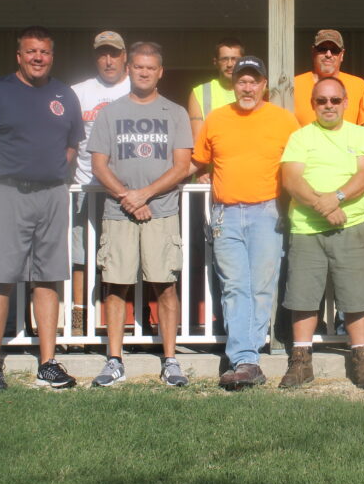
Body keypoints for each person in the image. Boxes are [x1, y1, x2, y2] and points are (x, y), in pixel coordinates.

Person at [0, 25, 84, 393]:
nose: (38, 58)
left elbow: (72, 144)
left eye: (44, 52)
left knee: (48, 276)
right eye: (31, 51)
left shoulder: (64, 94)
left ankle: (48, 363)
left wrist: (58, 174)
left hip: (51, 194)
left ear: (52, 55)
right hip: (7, 192)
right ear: (19, 56)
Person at [87, 42, 193, 386]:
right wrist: (127, 197)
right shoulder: (110, 112)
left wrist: (144, 194)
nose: (144, 72)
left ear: (160, 72)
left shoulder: (175, 113)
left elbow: (181, 166)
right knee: (116, 284)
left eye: (151, 67)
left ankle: (170, 359)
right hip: (119, 213)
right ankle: (114, 360)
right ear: (128, 70)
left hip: (161, 212)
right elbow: (99, 164)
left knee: (164, 284)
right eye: (138, 67)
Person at [191, 56, 299, 389]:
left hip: (267, 212)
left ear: (264, 85)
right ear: (233, 84)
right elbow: (199, 161)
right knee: (234, 286)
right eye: (242, 81)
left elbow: (297, 166)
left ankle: (245, 359)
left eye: (254, 81)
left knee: (262, 287)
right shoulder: (216, 118)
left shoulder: (284, 120)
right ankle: (246, 360)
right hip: (225, 213)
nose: (248, 87)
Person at [279, 76, 364, 389]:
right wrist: (324, 207)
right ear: (313, 105)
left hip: (350, 226)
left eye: (335, 100)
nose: (329, 106)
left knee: (356, 296)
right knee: (303, 297)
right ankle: (301, 360)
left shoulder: (361, 134)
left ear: (346, 102)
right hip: (307, 228)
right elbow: (292, 180)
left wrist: (335, 198)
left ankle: (362, 360)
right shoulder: (300, 137)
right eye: (321, 101)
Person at [69, 31, 131, 334]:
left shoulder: (138, 87)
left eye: (115, 54)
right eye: (103, 54)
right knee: (81, 259)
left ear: (125, 56)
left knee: (125, 259)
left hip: (127, 193)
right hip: (85, 188)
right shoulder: (77, 92)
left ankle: (132, 320)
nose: (109, 60)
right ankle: (80, 325)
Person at [292, 29, 364, 126]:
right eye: (322, 49)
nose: (328, 54)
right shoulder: (293, 85)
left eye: (334, 50)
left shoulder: (360, 86)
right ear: (313, 51)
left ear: (342, 55)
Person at [188, 38, 243, 140]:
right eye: (224, 59)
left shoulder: (258, 91)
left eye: (235, 59)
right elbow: (198, 140)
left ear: (243, 62)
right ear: (215, 62)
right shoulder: (200, 92)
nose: (230, 64)